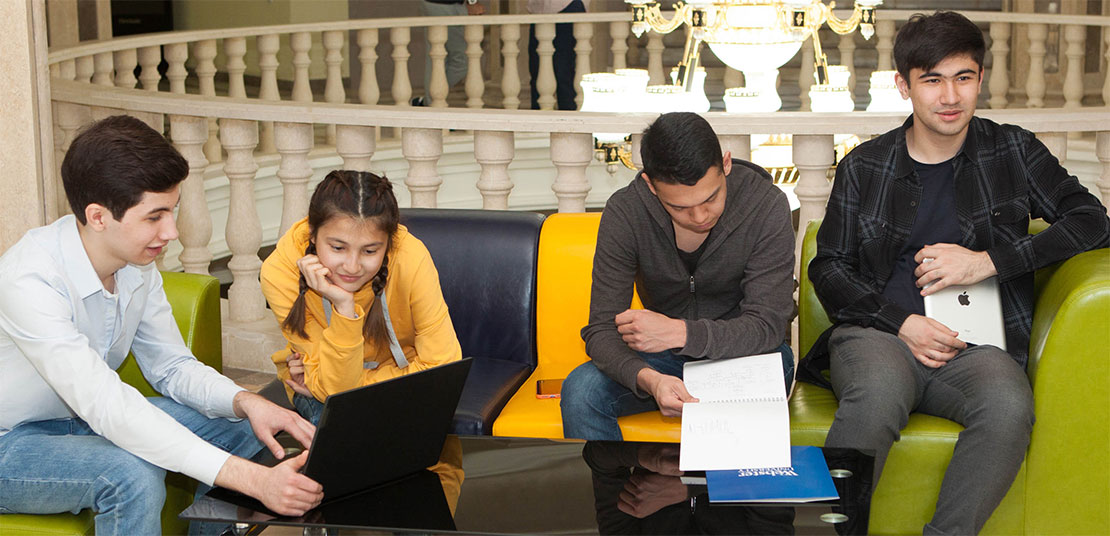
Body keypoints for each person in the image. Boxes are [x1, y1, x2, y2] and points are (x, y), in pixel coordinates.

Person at [799, 11, 1110, 534]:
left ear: (980, 80)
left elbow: (1092, 221)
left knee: (1009, 406)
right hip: (881, 334)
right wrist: (901, 322)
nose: (950, 96)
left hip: (976, 348)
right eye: (933, 80)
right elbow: (828, 266)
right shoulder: (866, 166)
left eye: (963, 78)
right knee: (873, 401)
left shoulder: (1012, 150)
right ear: (905, 86)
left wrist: (989, 261)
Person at [0, 115, 323, 536]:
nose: (170, 231)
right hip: (12, 442)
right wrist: (252, 479)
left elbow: (170, 367)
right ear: (98, 216)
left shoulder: (134, 264)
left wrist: (245, 401)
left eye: (172, 211)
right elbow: (107, 405)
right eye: (155, 217)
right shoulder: (29, 278)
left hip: (81, 422)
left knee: (248, 427)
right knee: (128, 473)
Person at [561, 112, 797, 440]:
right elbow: (601, 330)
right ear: (650, 185)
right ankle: (618, 491)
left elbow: (767, 327)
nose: (700, 216)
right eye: (679, 208)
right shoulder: (626, 212)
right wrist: (650, 379)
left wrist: (679, 333)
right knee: (581, 392)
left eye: (711, 197)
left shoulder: (766, 205)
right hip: (664, 361)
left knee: (768, 375)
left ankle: (715, 489)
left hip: (750, 354)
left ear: (726, 164)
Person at [260, 170, 465, 509]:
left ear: (389, 243)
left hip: (364, 384)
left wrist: (360, 382)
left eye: (370, 250)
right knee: (347, 464)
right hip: (331, 392)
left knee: (420, 479)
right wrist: (343, 306)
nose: (352, 266)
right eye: (337, 247)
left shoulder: (412, 257)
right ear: (313, 234)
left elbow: (442, 367)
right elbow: (337, 394)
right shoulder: (280, 271)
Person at [414, 0, 486, 107]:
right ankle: (431, 101)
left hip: (431, 4)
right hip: (446, 5)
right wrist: (472, 3)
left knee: (436, 58)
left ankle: (429, 102)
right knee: (464, 59)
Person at [528, 0, 588, 110]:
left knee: (564, 74)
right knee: (537, 73)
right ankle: (538, 124)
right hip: (539, 9)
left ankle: (568, 123)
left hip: (567, 5)